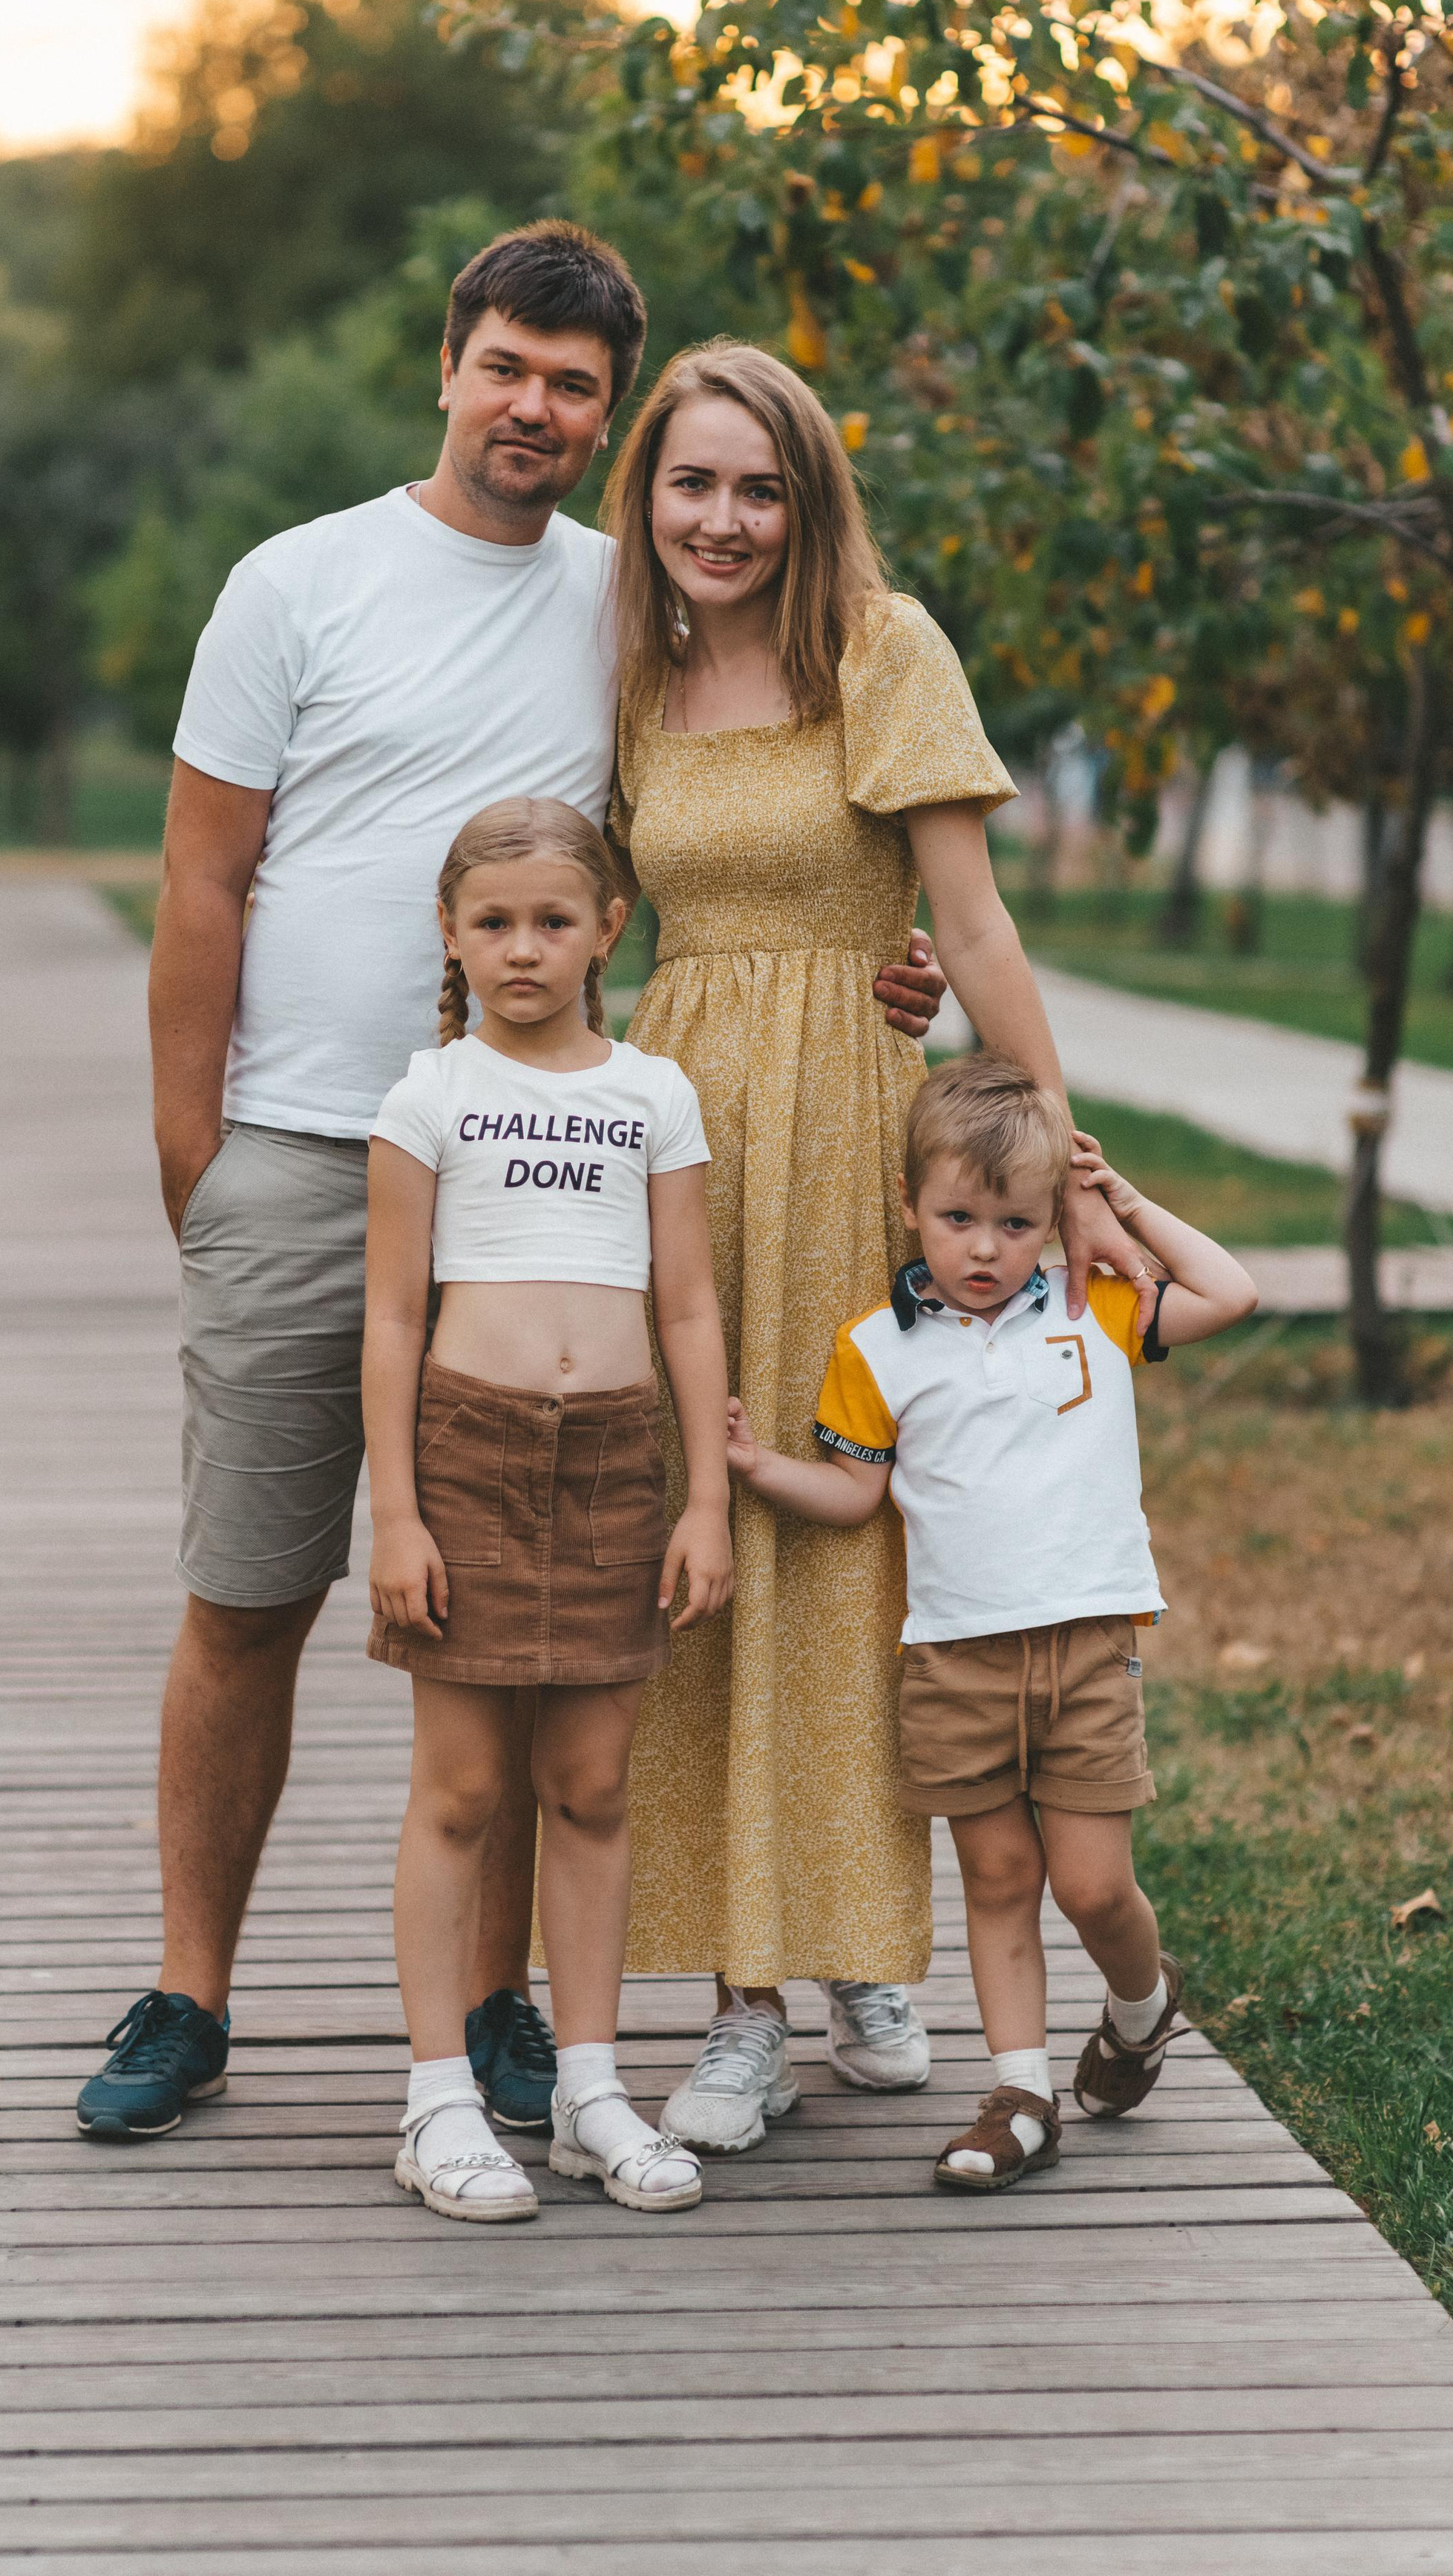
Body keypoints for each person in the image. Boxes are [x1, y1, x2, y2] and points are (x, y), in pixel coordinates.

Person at [73, 221, 950, 2140]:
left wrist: (901, 961)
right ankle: (187, 1990)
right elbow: (201, 881)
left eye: (574, 385)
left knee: (515, 1605)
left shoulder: (629, 606)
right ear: (448, 363)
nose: (534, 408)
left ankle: (489, 2015)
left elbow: (750, 821)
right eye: (507, 367)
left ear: (606, 417)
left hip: (548, 1176)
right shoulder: (295, 583)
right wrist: (193, 1158)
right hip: (310, 1147)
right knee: (249, 1587)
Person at [598, 341, 1150, 2156]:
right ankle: (737, 1999)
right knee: (705, 1520)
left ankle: (862, 1953)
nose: (724, 520)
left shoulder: (882, 652)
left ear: (808, 498)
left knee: (856, 1539)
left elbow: (969, 929)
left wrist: (1057, 1159)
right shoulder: (623, 671)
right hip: (674, 1145)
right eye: (693, 483)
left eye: (759, 487)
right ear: (648, 496)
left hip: (851, 1135)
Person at [726, 1051, 1257, 2188]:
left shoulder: (1093, 1307)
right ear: (911, 1206)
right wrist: (760, 1468)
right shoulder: (878, 1346)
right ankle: (1019, 2097)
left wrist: (1115, 1203)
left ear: (1048, 1223)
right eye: (956, 1217)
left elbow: (1233, 1294)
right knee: (1001, 1879)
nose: (981, 1248)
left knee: (1094, 1887)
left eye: (1014, 1223)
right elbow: (857, 1492)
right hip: (954, 1655)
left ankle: (1140, 2003)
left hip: (1085, 1648)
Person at [367, 799, 730, 2219]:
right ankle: (437, 2101)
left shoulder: (654, 1094)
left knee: (588, 1787)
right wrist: (396, 1514)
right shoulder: (428, 1097)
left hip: (618, 1465)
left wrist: (705, 1498)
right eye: (495, 923)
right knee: (461, 1791)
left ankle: (587, 2091)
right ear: (453, 935)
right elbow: (392, 1321)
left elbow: (690, 1306)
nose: (525, 949)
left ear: (609, 930)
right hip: (468, 1457)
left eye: (555, 921)